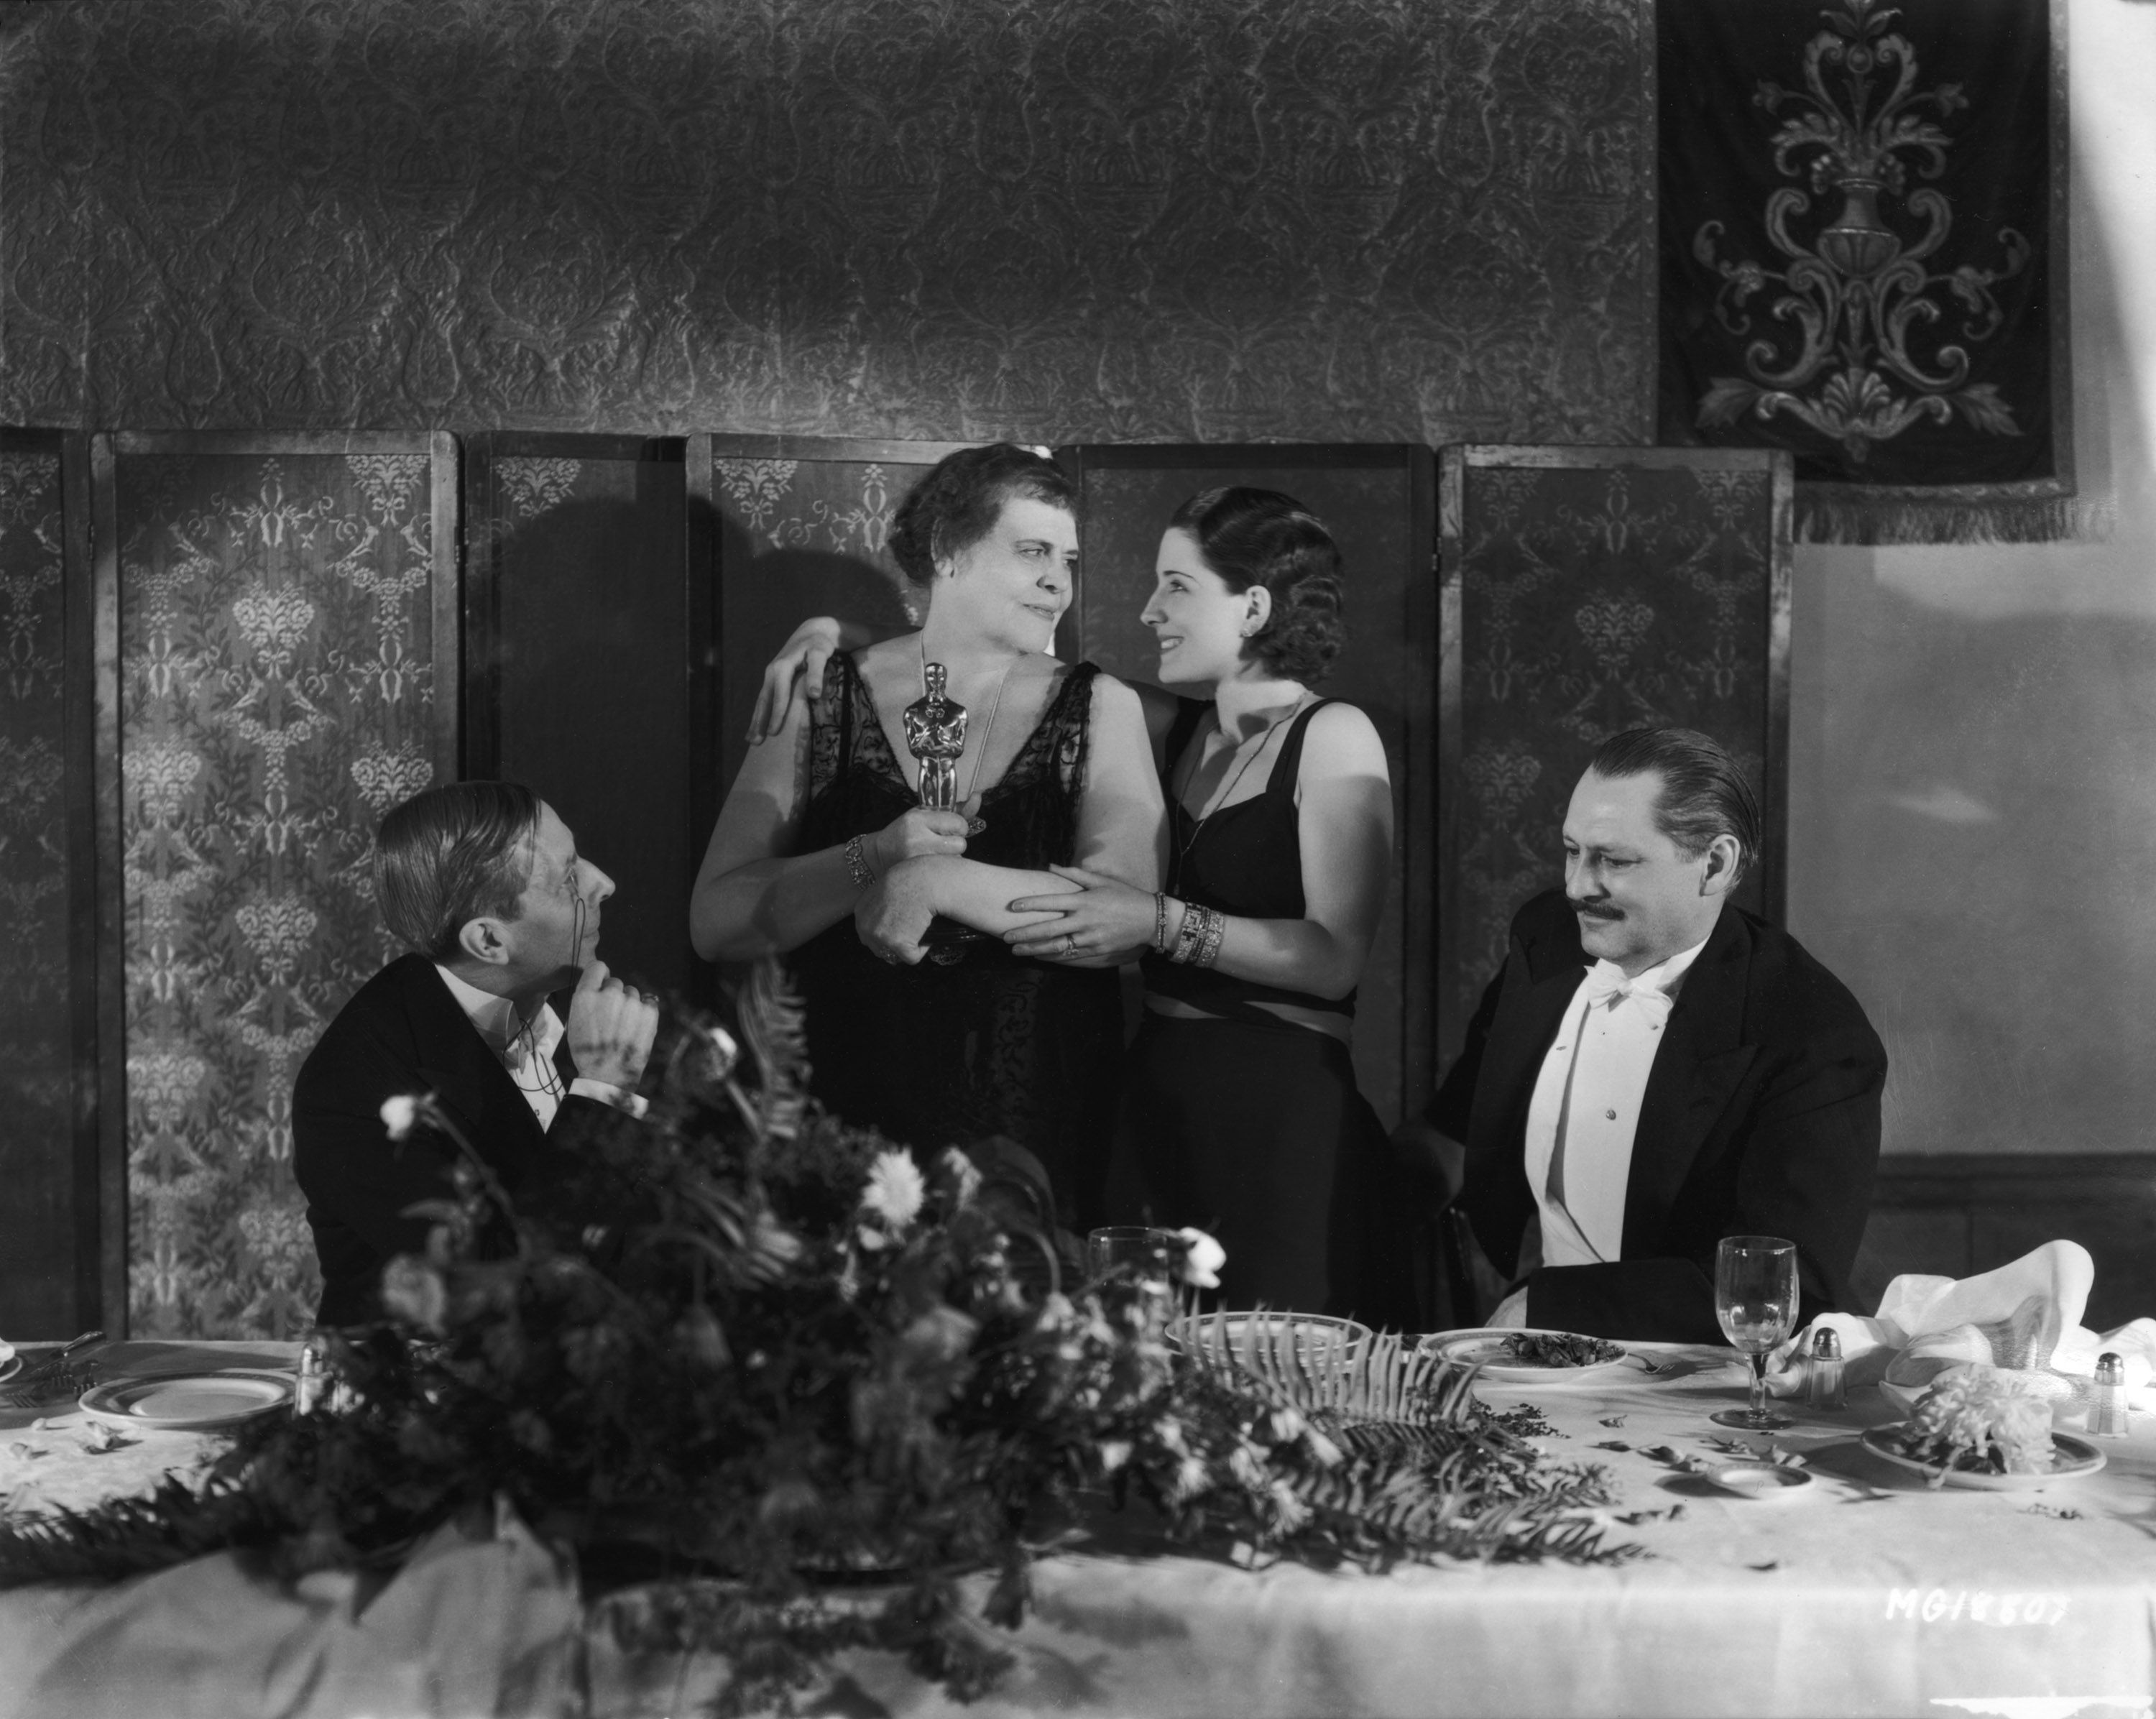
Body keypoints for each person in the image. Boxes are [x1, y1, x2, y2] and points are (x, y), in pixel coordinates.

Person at [742, 487, 1413, 1326]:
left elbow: (1334, 957)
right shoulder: (1179, 728)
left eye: (1176, 586)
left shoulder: (1335, 734)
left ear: (1253, 608)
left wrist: (1161, 922)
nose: (1149, 609)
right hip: (1152, 1094)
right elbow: (990, 658)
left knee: (1278, 1353)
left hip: (1279, 1105)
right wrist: (832, 635)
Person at [691, 443, 1164, 1235]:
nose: (1060, 581)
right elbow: (716, 921)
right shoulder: (824, 693)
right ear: (948, 549)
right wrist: (873, 856)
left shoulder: (1101, 705)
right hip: (841, 1117)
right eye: (1033, 551)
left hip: (1030, 1124)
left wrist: (935, 884)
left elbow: (1122, 921)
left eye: (1069, 560)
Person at [1431, 727, 1886, 1342]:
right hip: (1547, 1354)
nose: (1576, 886)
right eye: (1572, 851)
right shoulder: (1546, 937)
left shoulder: (1814, 1034)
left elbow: (1786, 1286)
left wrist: (1548, 1306)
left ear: (1715, 865)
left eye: (1614, 861)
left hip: (1705, 1374)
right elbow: (1460, 1116)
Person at [294, 781, 660, 1327]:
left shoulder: (573, 1001)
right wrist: (604, 1089)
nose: (604, 883)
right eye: (568, 879)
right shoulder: (354, 1088)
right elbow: (500, 1296)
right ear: (489, 942)